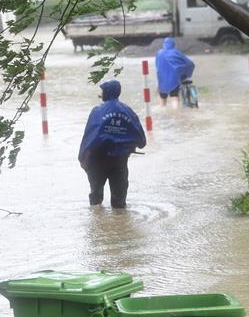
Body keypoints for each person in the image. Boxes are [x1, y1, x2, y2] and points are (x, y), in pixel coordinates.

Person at [78, 80, 147, 209]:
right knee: (119, 201)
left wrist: (83, 158)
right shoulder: (127, 110)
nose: (101, 94)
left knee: (96, 198)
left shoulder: (97, 111)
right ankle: (120, 226)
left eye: (102, 91)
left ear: (106, 93)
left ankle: (97, 224)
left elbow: (89, 136)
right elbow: (140, 137)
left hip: (97, 160)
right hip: (119, 161)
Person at [155, 37, 195, 105]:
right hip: (174, 80)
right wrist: (185, 73)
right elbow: (190, 63)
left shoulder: (159, 53)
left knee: (162, 99)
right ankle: (175, 114)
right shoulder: (176, 52)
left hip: (161, 80)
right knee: (174, 98)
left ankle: (162, 113)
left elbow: (157, 66)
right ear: (173, 44)